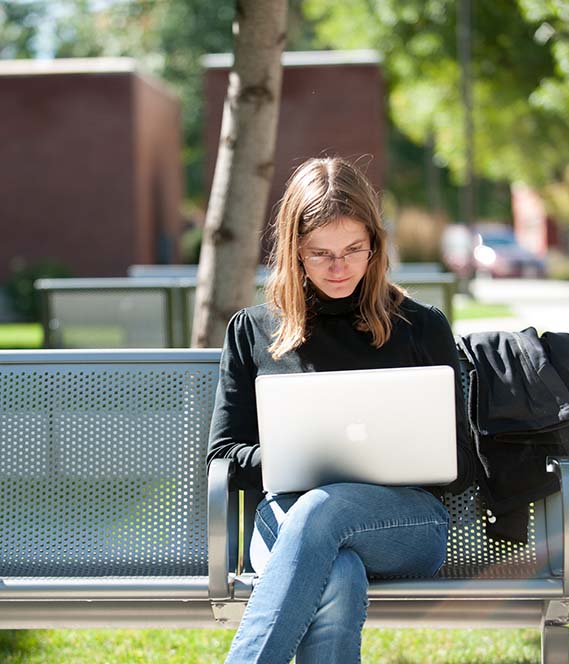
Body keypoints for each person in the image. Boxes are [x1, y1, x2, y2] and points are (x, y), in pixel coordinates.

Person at [207, 157, 476, 664]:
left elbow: (461, 463)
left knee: (322, 508)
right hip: (285, 519)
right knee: (338, 569)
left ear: (376, 244)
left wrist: (358, 474)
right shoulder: (254, 330)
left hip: (406, 524)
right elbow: (223, 458)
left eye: (355, 249)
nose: (340, 267)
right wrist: (298, 460)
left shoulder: (421, 327)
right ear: (295, 252)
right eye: (321, 253)